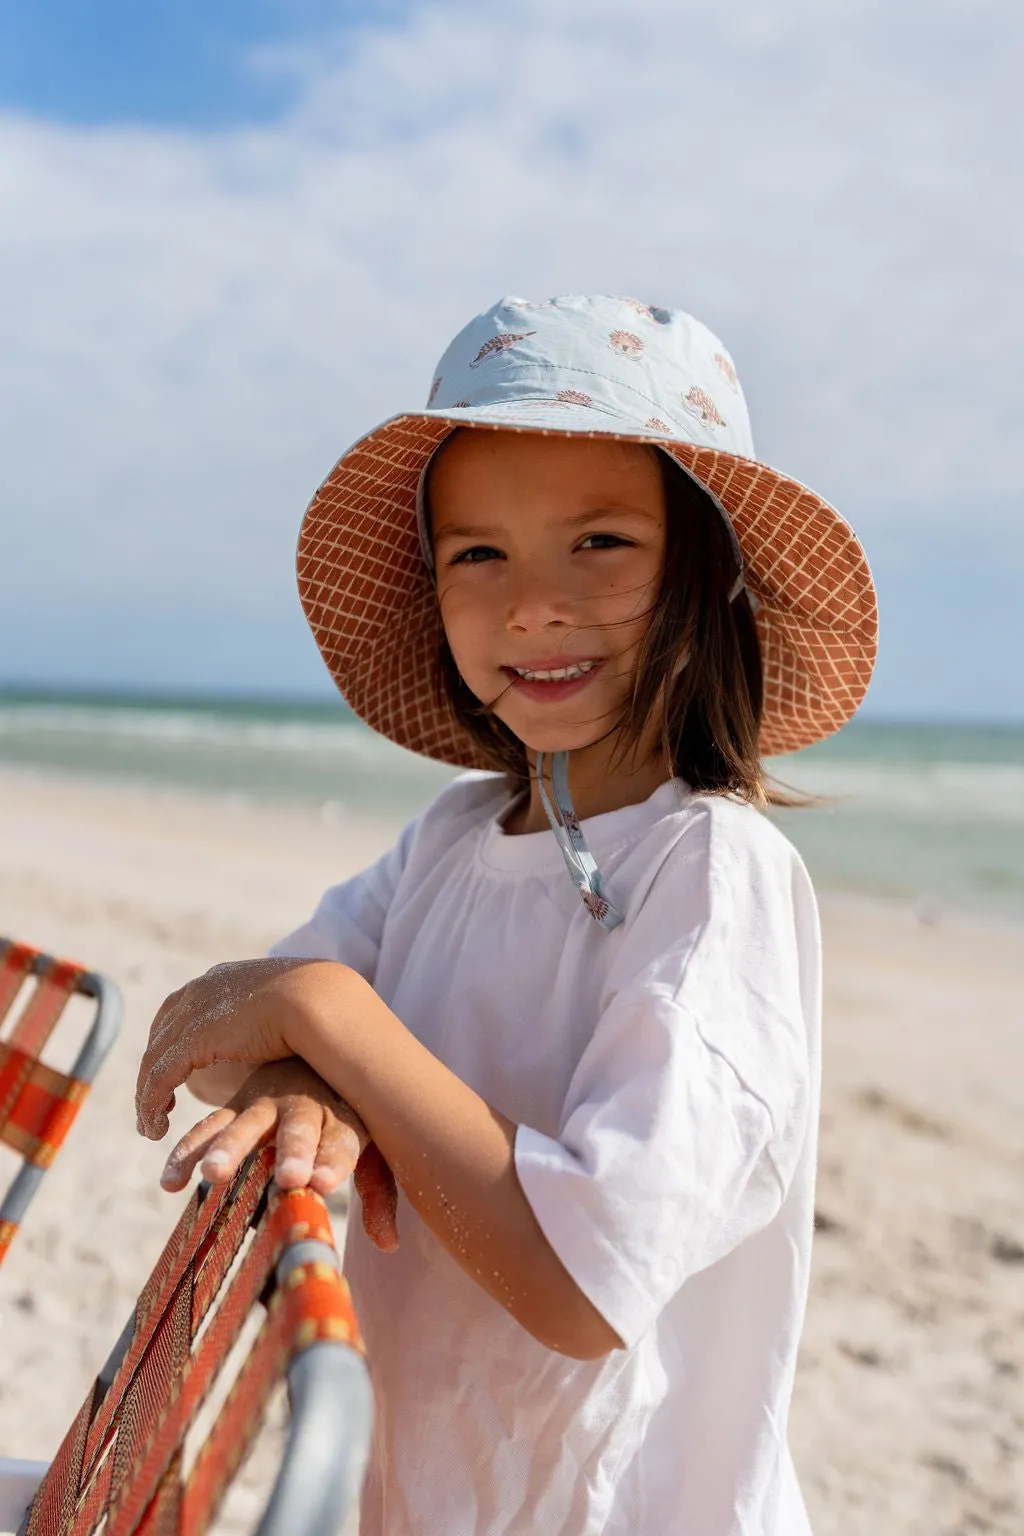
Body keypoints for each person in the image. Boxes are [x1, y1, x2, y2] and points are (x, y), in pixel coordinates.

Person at [135, 295, 877, 1535]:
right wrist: (308, 1073)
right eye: (476, 554)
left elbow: (583, 1286)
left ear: (711, 578)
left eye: (600, 542)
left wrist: (326, 1016)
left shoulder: (713, 873)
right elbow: (222, 1040)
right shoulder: (448, 843)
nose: (532, 603)